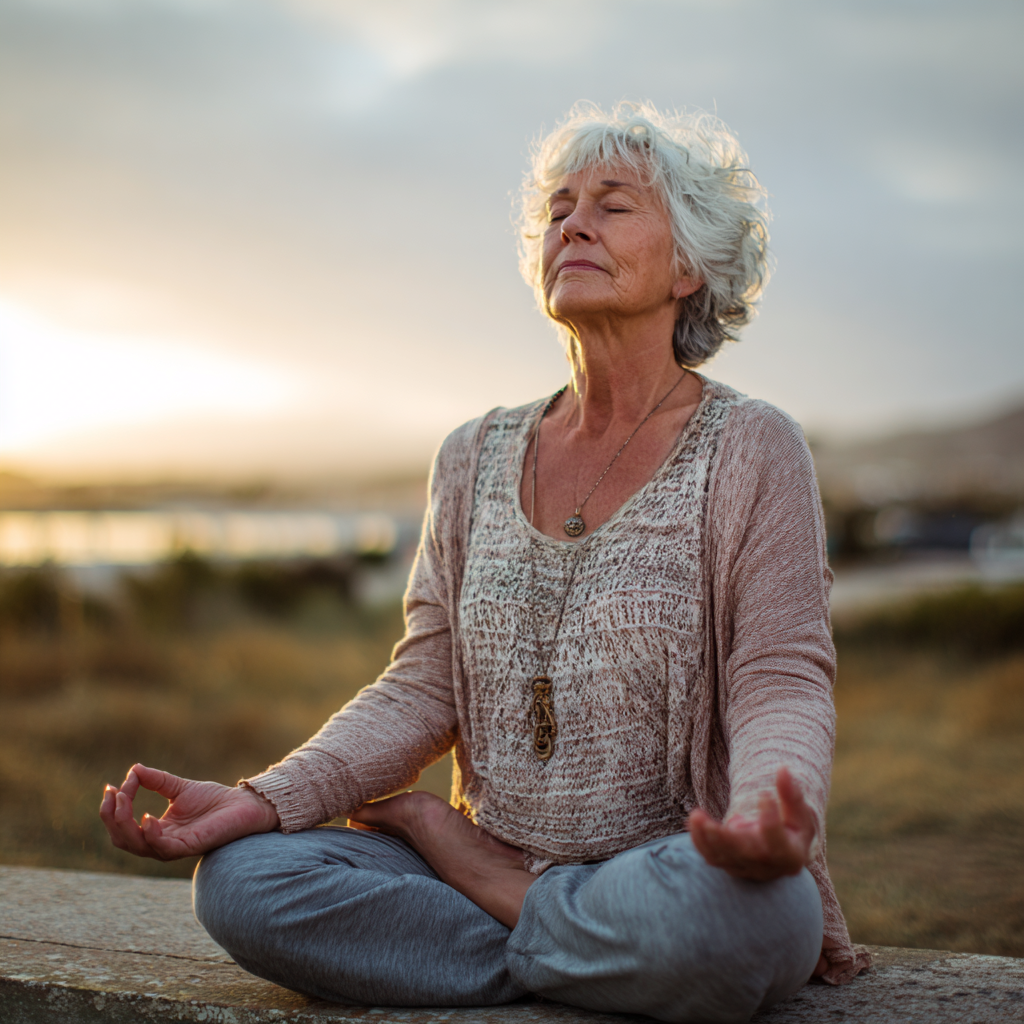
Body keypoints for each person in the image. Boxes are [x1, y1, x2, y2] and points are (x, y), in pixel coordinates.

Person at [99, 102, 870, 1024]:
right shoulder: (471, 456)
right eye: (558, 209)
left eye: (614, 205)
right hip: (496, 857)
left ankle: (513, 910)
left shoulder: (753, 447)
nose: (573, 222)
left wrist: (757, 823)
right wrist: (269, 798)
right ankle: (589, 952)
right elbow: (423, 683)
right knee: (241, 880)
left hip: (659, 862)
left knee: (761, 918)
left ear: (691, 265)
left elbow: (780, 675)